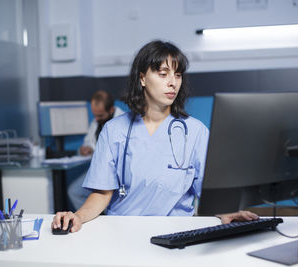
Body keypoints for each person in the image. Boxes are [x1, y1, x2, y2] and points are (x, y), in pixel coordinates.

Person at [53, 40, 258, 232]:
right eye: (163, 74)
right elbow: (102, 193)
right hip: (122, 232)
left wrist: (229, 212)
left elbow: (209, 191)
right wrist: (78, 216)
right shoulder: (114, 130)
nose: (173, 83)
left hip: (176, 231)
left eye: (177, 75)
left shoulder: (196, 132)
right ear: (142, 78)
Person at [67, 90, 124, 210]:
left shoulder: (123, 122)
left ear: (111, 110)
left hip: (116, 171)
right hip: (98, 169)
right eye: (95, 115)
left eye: (100, 115)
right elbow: (89, 141)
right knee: (74, 192)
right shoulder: (97, 121)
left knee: (113, 198)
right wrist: (86, 148)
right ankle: (94, 217)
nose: (96, 119)